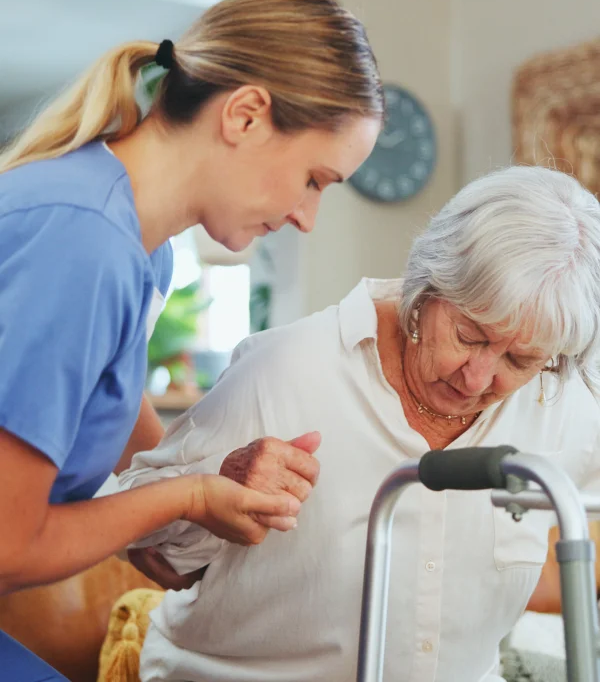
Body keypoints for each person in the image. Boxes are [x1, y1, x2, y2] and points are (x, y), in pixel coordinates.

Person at [0, 0, 383, 682]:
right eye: (313, 179)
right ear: (244, 115)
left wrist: (193, 500)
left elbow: (125, 444)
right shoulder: (82, 244)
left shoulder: (142, 252)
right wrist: (191, 497)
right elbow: (8, 542)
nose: (308, 217)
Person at [118, 165, 600, 682]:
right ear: (430, 283)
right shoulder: (285, 369)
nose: (479, 377)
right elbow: (152, 547)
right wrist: (215, 489)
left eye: (519, 361)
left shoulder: (567, 408)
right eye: (470, 336)